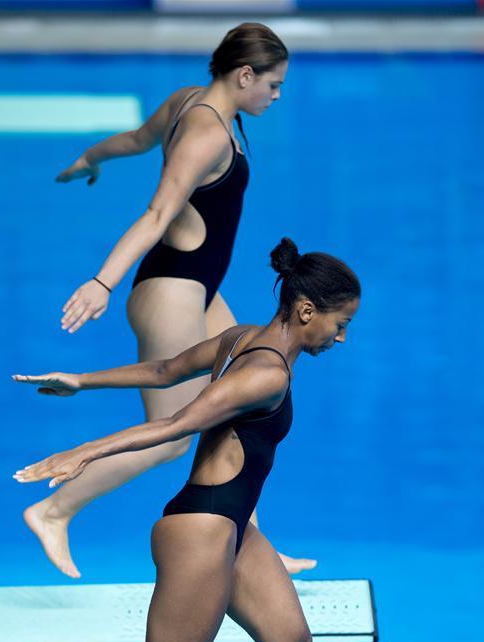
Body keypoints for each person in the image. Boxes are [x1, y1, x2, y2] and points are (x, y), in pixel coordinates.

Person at [0, 238, 361, 642]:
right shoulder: (265, 370)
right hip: (202, 528)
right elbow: (177, 422)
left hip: (232, 526)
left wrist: (80, 380)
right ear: (305, 311)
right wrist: (83, 451)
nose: (341, 338)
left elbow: (166, 371)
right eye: (340, 324)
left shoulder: (242, 336)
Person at [25, 22, 317, 579]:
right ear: (245, 75)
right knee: (170, 438)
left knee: (247, 404)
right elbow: (157, 214)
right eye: (273, 85)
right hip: (172, 294)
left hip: (198, 291)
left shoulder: (188, 101)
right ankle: (52, 509)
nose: (276, 96)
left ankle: (251, 542)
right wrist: (102, 282)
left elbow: (136, 140)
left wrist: (91, 158)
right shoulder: (207, 134)